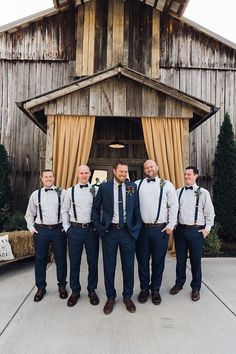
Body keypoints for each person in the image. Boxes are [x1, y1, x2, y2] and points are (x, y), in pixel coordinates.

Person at [92, 161, 142, 315]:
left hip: (128, 232)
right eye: (120, 171)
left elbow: (137, 210)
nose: (123, 174)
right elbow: (95, 208)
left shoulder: (132, 187)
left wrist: (136, 228)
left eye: (125, 172)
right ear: (114, 171)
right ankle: (110, 297)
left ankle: (127, 296)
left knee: (128, 266)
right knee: (109, 266)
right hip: (110, 232)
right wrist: (100, 227)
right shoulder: (104, 187)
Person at [135, 160, 178, 305]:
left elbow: (173, 205)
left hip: (160, 230)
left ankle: (155, 290)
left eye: (151, 166)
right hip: (142, 230)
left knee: (158, 262)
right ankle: (144, 289)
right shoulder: (137, 184)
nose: (149, 169)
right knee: (142, 261)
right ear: (144, 170)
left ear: (157, 168)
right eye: (146, 167)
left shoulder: (167, 185)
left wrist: (171, 225)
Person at [170, 166, 215, 301]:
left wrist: (207, 229)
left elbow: (210, 213)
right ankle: (179, 283)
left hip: (196, 231)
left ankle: (196, 287)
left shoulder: (203, 193)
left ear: (196, 176)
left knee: (195, 261)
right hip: (180, 231)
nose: (186, 177)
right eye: (185, 174)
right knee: (180, 260)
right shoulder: (178, 192)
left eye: (189, 174)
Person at [25, 169, 67, 302]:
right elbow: (29, 214)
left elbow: (68, 211)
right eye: (46, 177)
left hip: (58, 230)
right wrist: (31, 228)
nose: (48, 179)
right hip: (41, 230)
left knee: (61, 260)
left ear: (54, 178)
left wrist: (66, 227)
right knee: (40, 260)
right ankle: (41, 287)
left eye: (51, 176)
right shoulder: (35, 195)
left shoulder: (62, 192)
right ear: (42, 179)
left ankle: (62, 286)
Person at [62, 165, 99, 307]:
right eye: (81, 173)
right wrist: (67, 228)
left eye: (86, 173)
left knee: (93, 262)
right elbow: (65, 210)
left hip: (91, 230)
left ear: (90, 174)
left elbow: (100, 209)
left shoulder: (96, 190)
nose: (84, 175)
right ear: (77, 174)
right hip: (75, 230)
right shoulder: (70, 191)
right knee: (75, 262)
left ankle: (92, 290)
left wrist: (98, 226)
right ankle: (75, 291)